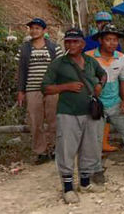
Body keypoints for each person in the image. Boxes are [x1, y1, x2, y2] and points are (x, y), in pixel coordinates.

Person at [42, 28, 106, 204]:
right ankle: (68, 188)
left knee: (90, 147)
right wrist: (65, 87)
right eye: (68, 42)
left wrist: (100, 85)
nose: (71, 45)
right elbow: (45, 87)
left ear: (83, 44)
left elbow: (103, 74)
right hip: (68, 112)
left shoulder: (90, 62)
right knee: (66, 149)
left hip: (90, 112)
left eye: (75, 41)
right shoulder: (59, 64)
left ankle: (85, 184)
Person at [86, 24, 124, 175]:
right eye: (108, 39)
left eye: (115, 40)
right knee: (96, 136)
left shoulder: (121, 57)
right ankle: (96, 167)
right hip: (96, 104)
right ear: (100, 40)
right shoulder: (89, 57)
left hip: (115, 102)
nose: (112, 43)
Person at [16, 17, 60, 164]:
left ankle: (54, 148)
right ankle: (40, 151)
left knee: (53, 119)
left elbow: (60, 68)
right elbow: (21, 71)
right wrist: (21, 91)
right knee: (35, 121)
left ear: (44, 30)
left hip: (52, 89)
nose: (34, 31)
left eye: (37, 28)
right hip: (32, 89)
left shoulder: (54, 48)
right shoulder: (24, 49)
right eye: (32, 28)